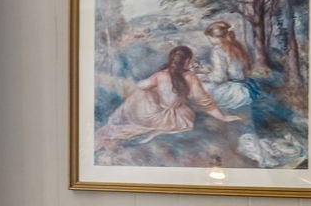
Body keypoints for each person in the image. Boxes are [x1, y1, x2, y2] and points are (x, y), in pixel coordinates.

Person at [97, 45, 244, 147]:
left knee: (144, 91)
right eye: (190, 60)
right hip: (176, 118)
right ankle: (156, 130)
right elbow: (203, 101)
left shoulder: (160, 75)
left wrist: (155, 88)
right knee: (148, 92)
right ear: (188, 61)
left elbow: (141, 85)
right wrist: (222, 117)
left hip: (151, 116)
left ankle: (144, 127)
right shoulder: (190, 77)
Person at [200, 20, 256, 113]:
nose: (209, 40)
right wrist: (211, 70)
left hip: (232, 93)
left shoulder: (217, 50)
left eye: (209, 38)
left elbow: (219, 78)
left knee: (200, 88)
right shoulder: (237, 45)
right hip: (246, 89)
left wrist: (204, 77)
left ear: (216, 37)